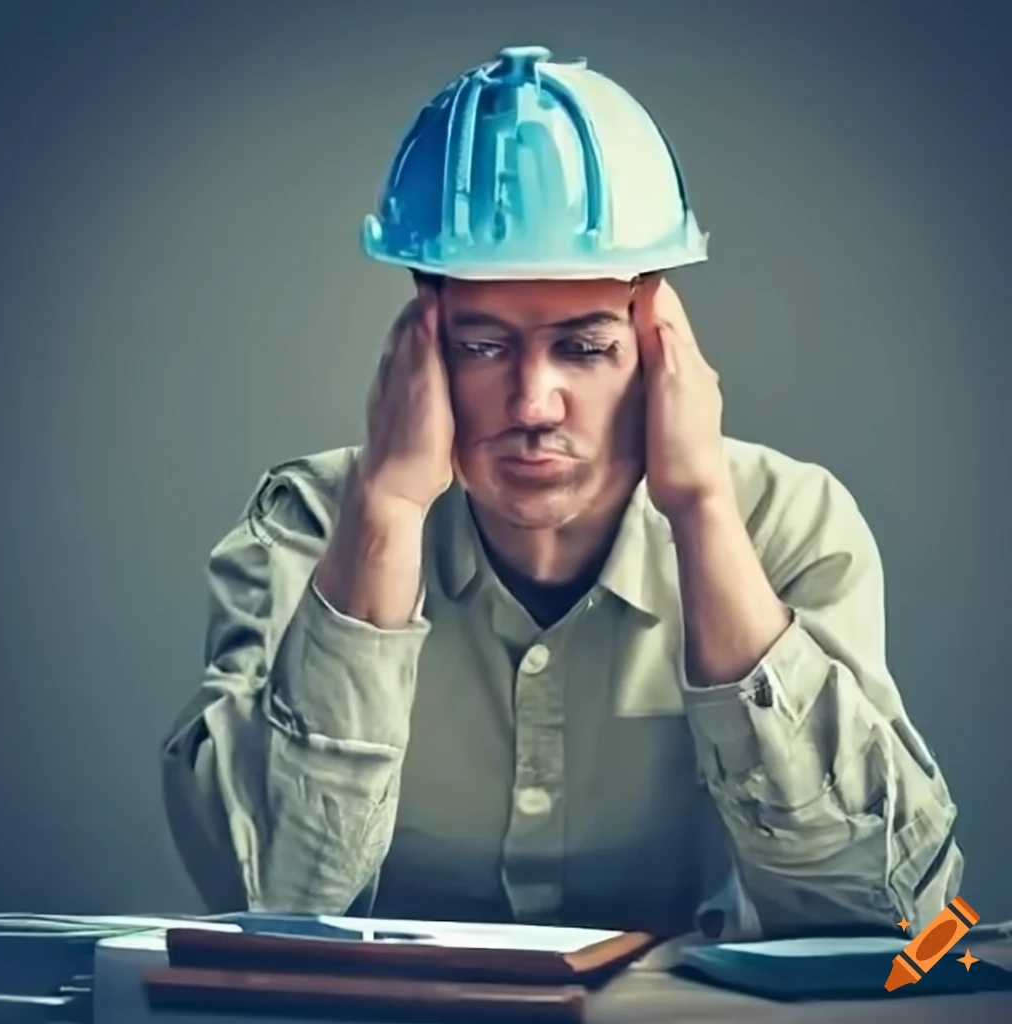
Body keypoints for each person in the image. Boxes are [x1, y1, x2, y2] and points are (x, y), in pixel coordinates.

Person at [161, 46, 962, 939]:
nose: (535, 405)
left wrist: (701, 512)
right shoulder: (306, 529)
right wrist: (386, 516)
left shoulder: (789, 524)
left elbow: (890, 919)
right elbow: (269, 904)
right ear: (417, 343)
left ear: (656, 341)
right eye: (483, 345)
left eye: (584, 348)